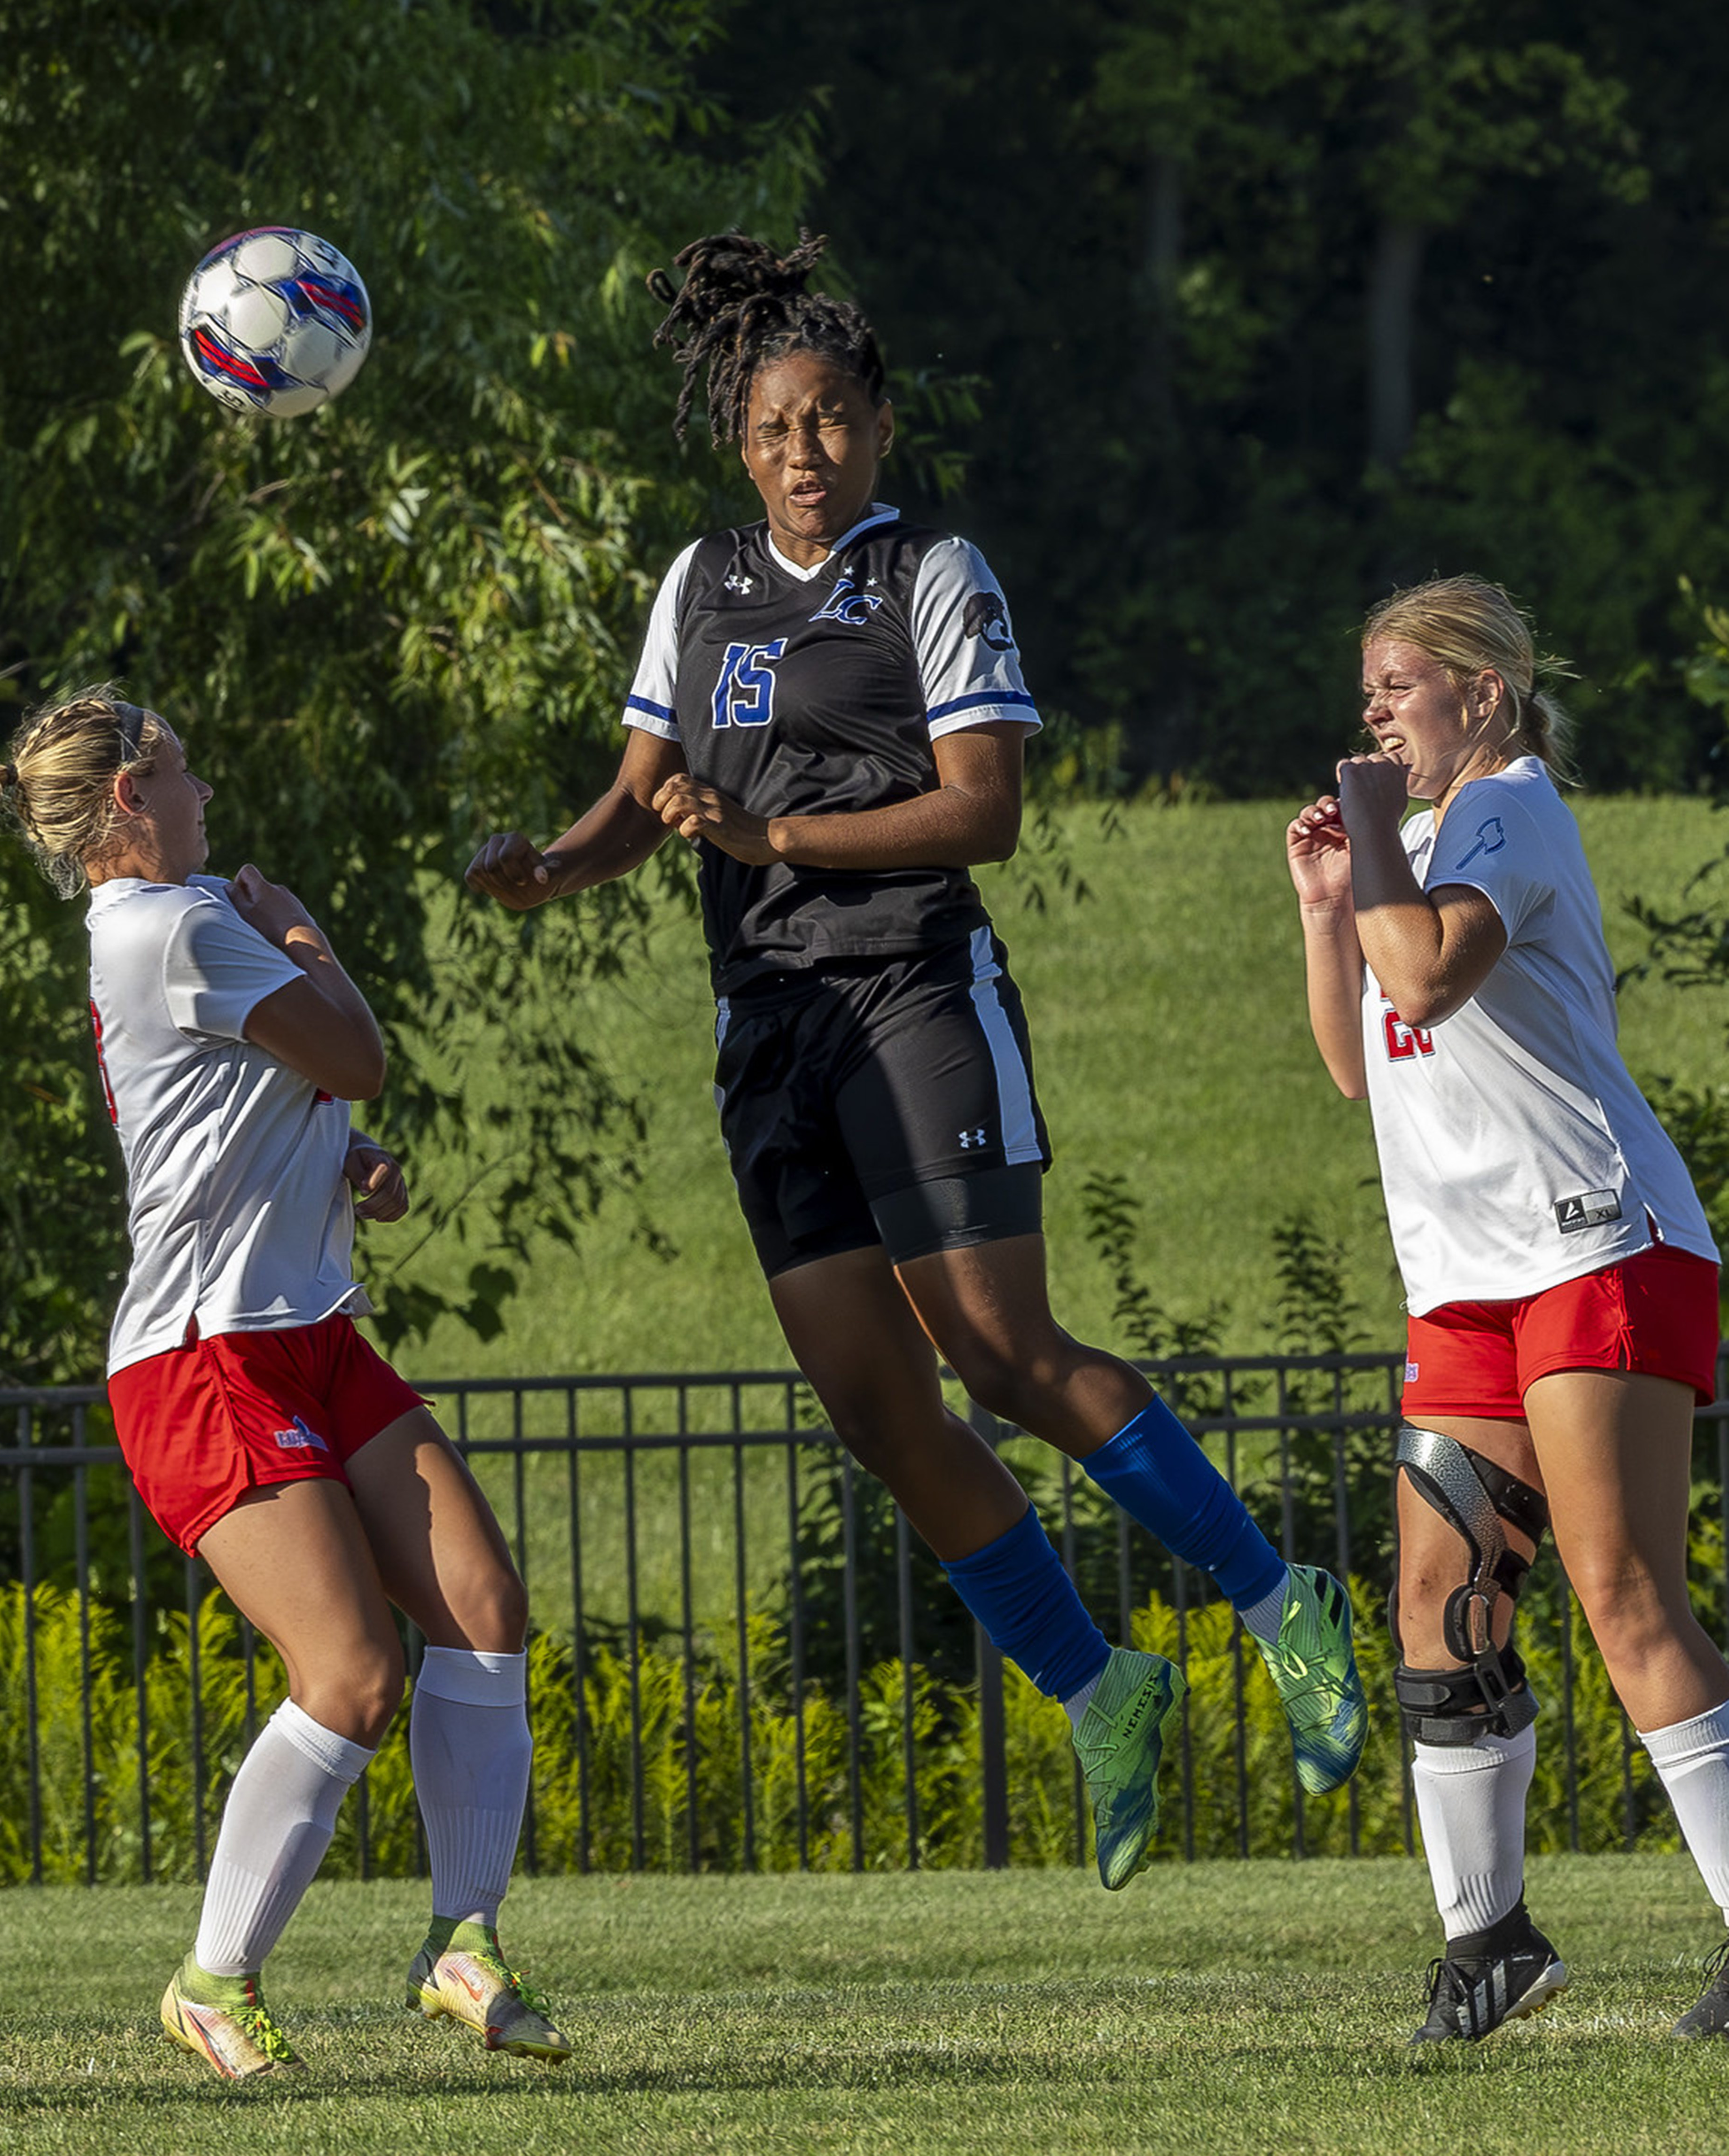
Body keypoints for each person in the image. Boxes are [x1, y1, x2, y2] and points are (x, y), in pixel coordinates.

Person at [467, 229, 1368, 1887]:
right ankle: (1104, 1690)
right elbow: (639, 791)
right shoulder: (698, 582)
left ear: (876, 425)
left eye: (827, 422)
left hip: (913, 993)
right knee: (878, 1408)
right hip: (769, 1028)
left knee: (999, 1351)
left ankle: (1276, 1600)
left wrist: (778, 829)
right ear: (736, 446)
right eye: (768, 431)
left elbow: (988, 810)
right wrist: (553, 864)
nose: (800, 455)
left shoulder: (930, 577)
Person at [0, 689, 566, 2079]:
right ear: (125, 799)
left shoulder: (178, 916)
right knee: (348, 1673)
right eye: (180, 769)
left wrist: (335, 1165)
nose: (204, 787)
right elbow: (357, 1053)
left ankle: (464, 1936)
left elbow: (243, 1112)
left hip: (306, 1331)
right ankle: (212, 1981)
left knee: (483, 1605)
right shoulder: (171, 924)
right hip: (200, 1359)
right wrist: (309, 935)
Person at [1286, 575, 1729, 2044]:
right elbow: (1362, 1063)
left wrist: (1367, 845)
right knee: (1437, 1597)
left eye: (1399, 686)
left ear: (1484, 692)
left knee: (1621, 1595)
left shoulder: (1508, 809)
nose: (1376, 715)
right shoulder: (1416, 840)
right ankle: (1490, 1942)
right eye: (1367, 694)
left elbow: (1426, 968)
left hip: (1593, 1241)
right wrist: (1325, 902)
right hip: (1471, 1277)